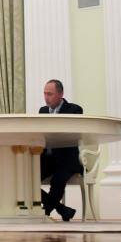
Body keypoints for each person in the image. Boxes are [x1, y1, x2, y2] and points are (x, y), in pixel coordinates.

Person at [39, 79, 82, 222]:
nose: (46, 97)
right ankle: (62, 209)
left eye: (49, 94)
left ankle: (45, 213)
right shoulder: (42, 111)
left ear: (60, 94)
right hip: (47, 159)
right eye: (45, 93)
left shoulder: (74, 110)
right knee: (28, 179)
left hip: (67, 159)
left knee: (58, 180)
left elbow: (72, 134)